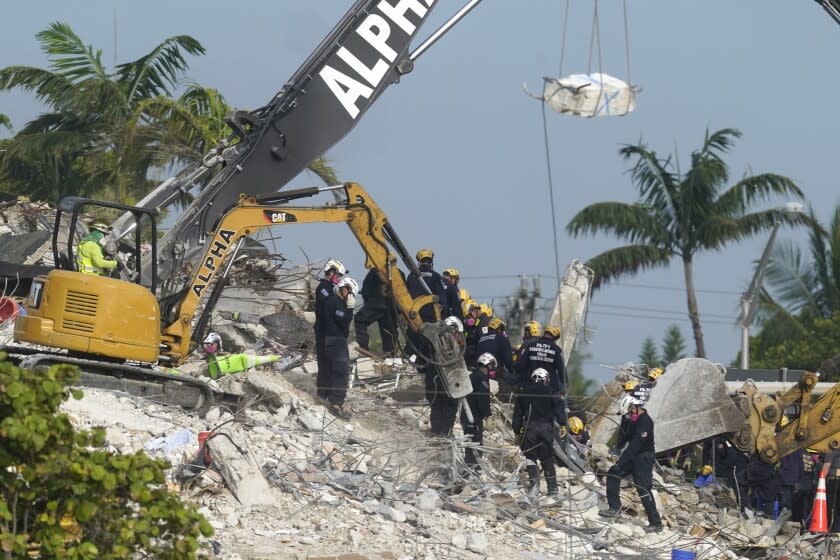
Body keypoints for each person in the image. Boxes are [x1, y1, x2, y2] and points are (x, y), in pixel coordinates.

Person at [600, 397, 664, 532]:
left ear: (636, 408)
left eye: (629, 413)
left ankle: (656, 523)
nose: (627, 416)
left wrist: (621, 461)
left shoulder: (645, 421)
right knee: (613, 473)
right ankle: (614, 508)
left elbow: (635, 444)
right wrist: (617, 447)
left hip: (644, 457)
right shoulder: (629, 418)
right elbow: (624, 435)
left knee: (643, 489)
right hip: (633, 455)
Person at [513, 368, 563, 495]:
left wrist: (517, 431)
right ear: (545, 379)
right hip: (546, 429)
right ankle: (553, 490)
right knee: (547, 459)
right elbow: (559, 411)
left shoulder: (523, 394)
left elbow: (517, 416)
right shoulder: (551, 392)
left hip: (529, 429)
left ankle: (534, 487)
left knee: (530, 458)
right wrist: (563, 424)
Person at [322, 276, 358, 420]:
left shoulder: (336, 302)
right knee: (341, 369)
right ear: (345, 289)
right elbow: (343, 321)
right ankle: (335, 402)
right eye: (351, 294)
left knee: (337, 370)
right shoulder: (334, 302)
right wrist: (350, 309)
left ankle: (335, 399)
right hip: (335, 340)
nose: (351, 297)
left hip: (336, 340)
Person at [518, 325, 567, 423]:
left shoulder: (531, 346)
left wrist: (522, 383)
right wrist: (564, 387)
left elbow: (521, 366)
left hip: (530, 386)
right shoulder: (556, 350)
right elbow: (562, 371)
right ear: (555, 337)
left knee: (525, 412)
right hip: (549, 390)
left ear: (544, 334)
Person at [314, 259, 346, 399]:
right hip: (322, 331)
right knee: (324, 363)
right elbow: (329, 304)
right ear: (331, 272)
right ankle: (323, 393)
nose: (338, 279)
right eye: (337, 275)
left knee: (327, 363)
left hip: (326, 331)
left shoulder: (328, 288)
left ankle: (325, 392)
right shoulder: (323, 288)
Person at [462, 352, 496, 473]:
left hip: (466, 415)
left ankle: (469, 469)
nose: (492, 369)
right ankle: (473, 471)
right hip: (474, 416)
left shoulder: (473, 376)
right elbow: (483, 399)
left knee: (469, 442)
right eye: (491, 366)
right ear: (487, 365)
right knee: (476, 443)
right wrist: (488, 415)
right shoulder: (482, 378)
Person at [354, 268, 400, 356]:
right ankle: (390, 355)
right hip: (392, 308)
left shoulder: (374, 271)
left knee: (359, 319)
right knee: (389, 332)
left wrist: (368, 304)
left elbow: (366, 290)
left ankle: (364, 349)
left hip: (376, 302)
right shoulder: (398, 273)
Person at [406, 248, 448, 323]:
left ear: (419, 261)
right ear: (431, 261)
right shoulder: (436, 276)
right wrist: (444, 316)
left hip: (413, 315)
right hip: (431, 316)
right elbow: (442, 300)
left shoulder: (410, 276)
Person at [475, 317, 514, 385]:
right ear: (498, 329)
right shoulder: (501, 338)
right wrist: (512, 371)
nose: (503, 332)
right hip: (496, 374)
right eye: (502, 330)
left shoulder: (480, 339)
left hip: (480, 372)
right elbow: (508, 361)